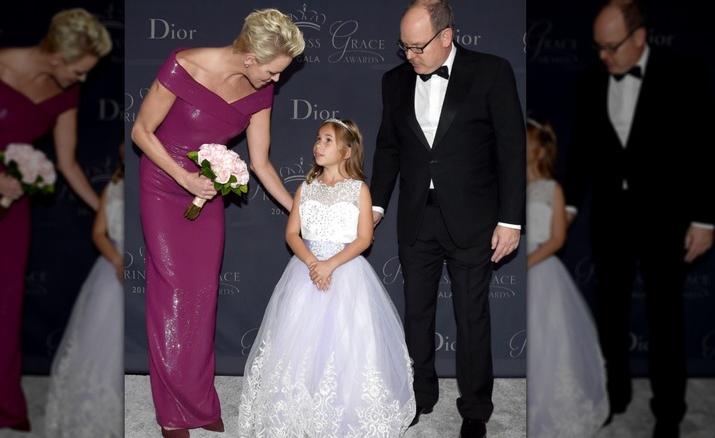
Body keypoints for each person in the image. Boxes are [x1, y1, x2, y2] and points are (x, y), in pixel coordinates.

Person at [129, 8, 304, 438]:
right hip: (164, 184)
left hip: (206, 194)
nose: (276, 80)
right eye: (273, 71)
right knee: (171, 295)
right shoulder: (185, 65)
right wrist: (184, 177)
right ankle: (172, 412)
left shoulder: (260, 91)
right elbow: (142, 131)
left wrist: (299, 211)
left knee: (202, 296)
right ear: (249, 58)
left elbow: (260, 164)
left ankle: (199, 401)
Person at [0, 8, 112, 438]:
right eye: (79, 70)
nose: (83, 79)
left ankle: (5, 400)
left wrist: (107, 211)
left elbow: (68, 164)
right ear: (56, 56)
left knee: (8, 297)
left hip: (14, 195)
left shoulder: (66, 90)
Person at [368, 1, 526, 436]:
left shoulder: (491, 71)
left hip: (474, 219)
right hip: (416, 216)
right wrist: (376, 205)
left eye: (417, 47)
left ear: (446, 36)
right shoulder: (394, 81)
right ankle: (419, 396)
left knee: (471, 317)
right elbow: (388, 148)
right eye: (404, 47)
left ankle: (475, 409)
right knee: (416, 313)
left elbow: (512, 149)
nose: (410, 56)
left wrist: (511, 220)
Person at [563, 1, 714, 437]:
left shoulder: (684, 72)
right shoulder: (589, 80)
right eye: (598, 47)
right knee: (610, 314)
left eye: (612, 47)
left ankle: (669, 411)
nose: (604, 56)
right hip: (610, 220)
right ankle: (615, 396)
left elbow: (706, 149)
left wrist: (705, 220)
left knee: (665, 317)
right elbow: (581, 152)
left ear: (640, 37)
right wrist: (567, 208)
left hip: (667, 220)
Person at [237, 117, 416, 437]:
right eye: (318, 138)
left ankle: (344, 410)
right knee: (299, 344)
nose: (319, 145)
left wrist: (330, 265)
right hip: (306, 272)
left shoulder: (359, 189)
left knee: (347, 342)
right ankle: (298, 411)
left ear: (347, 152)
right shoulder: (306, 188)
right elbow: (292, 233)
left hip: (346, 272)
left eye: (328, 140)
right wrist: (312, 263)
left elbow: (364, 239)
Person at [525, 118, 609, 438]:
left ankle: (551, 406)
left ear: (538, 150)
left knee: (549, 340)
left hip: (543, 272)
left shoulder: (552, 189)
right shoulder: (510, 186)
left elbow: (558, 238)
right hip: (520, 266)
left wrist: (529, 262)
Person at [44, 141, 124, 438]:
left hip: (142, 266)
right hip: (111, 270)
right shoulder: (112, 189)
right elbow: (98, 233)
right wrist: (117, 260)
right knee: (97, 342)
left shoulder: (153, 188)